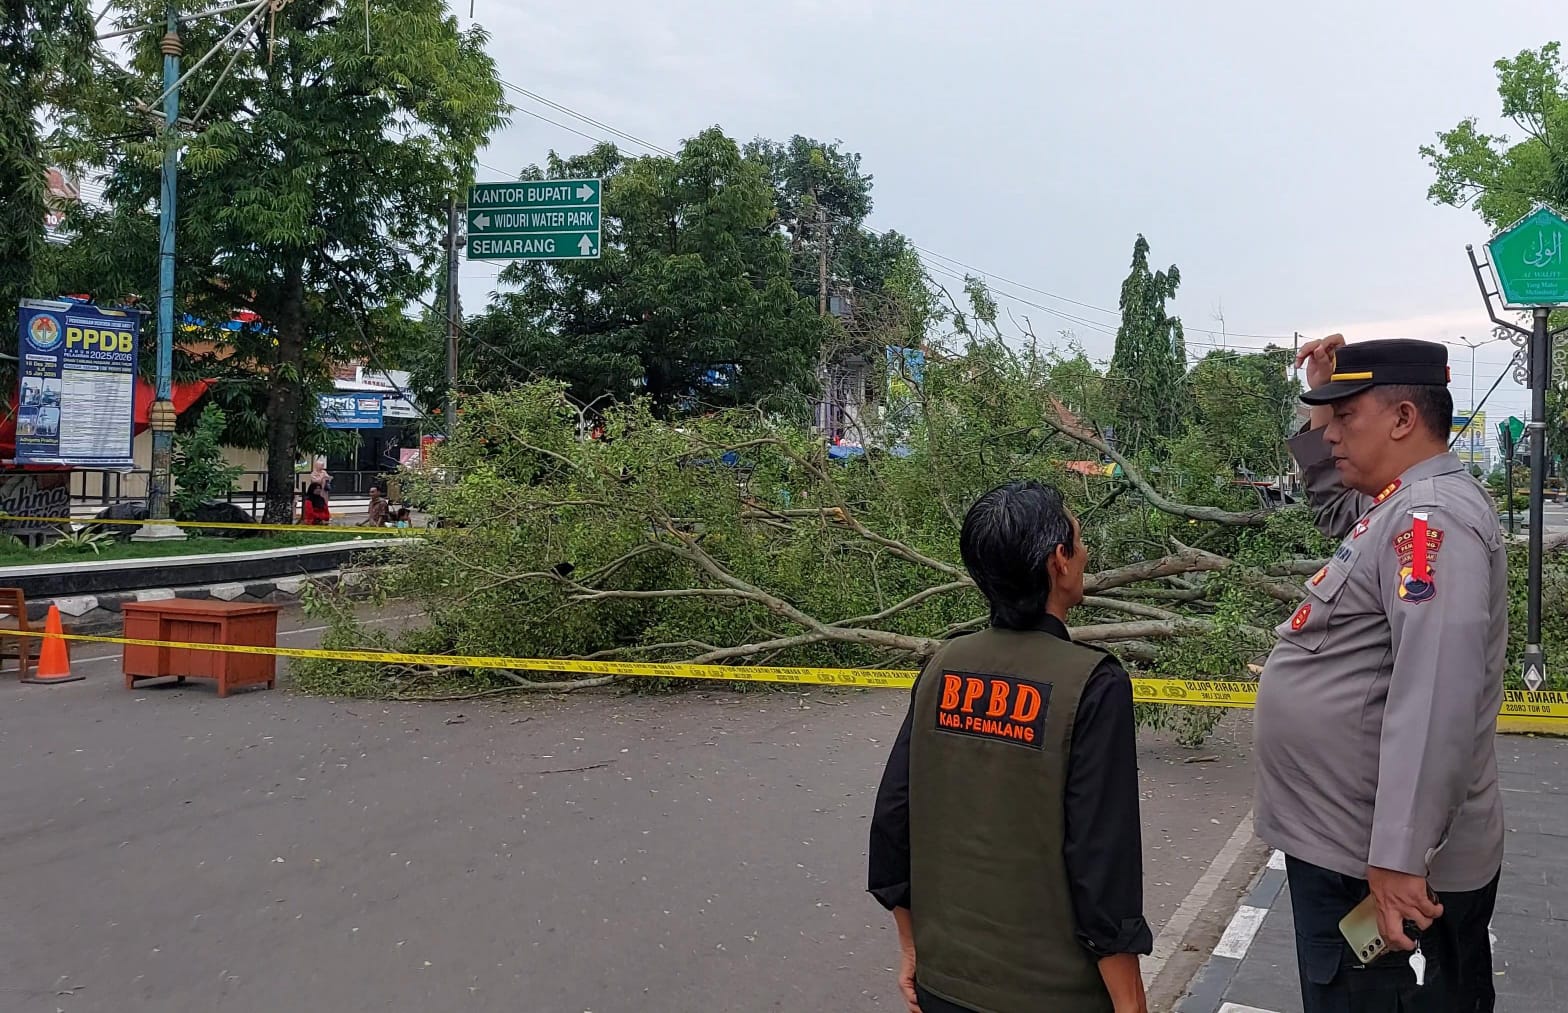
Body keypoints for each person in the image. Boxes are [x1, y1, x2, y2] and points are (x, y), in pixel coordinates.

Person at [1255, 335, 1505, 1013]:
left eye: (1345, 417)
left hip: (1379, 868)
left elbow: (1436, 696)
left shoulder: (1430, 520)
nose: (1331, 434)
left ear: (1402, 418)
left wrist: (1399, 858)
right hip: (1353, 844)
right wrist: (1320, 398)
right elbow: (1335, 508)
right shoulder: (1397, 504)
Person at [868, 480, 1151, 1013]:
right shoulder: (1093, 684)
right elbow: (1102, 863)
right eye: (1078, 540)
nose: (1085, 551)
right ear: (1058, 562)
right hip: (1054, 995)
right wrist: (1131, 1002)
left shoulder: (942, 666)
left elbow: (892, 822)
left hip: (944, 983)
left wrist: (912, 947)